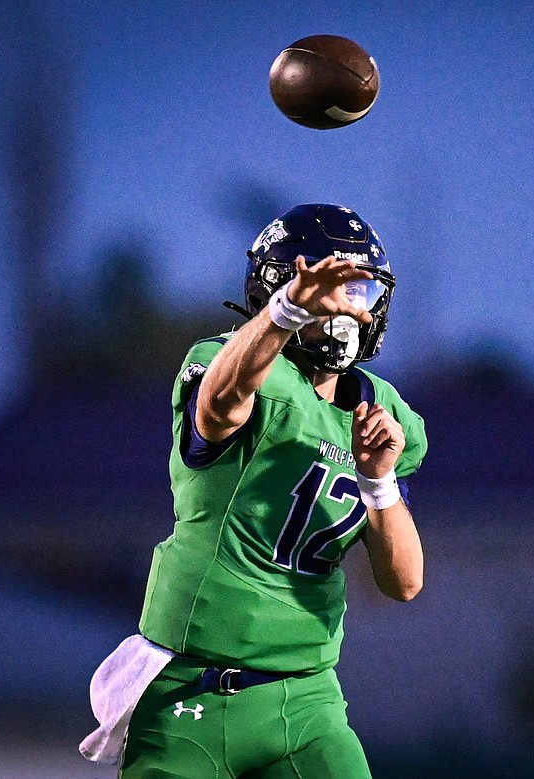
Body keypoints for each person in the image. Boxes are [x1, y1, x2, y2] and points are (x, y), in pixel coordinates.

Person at [80, 203, 427, 779]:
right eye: (325, 286)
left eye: (357, 289)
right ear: (279, 285)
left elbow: (405, 582)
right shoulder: (226, 363)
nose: (342, 307)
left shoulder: (378, 410)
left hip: (305, 700)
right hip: (188, 692)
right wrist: (288, 312)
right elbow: (219, 406)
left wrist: (378, 479)